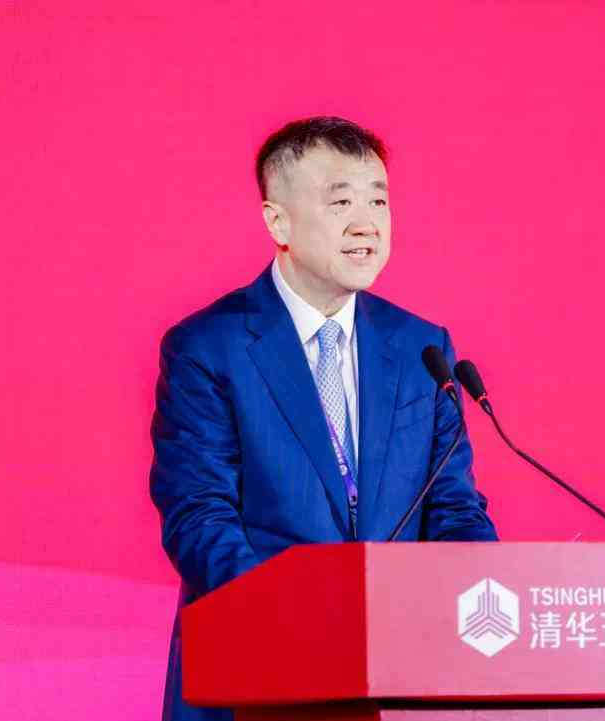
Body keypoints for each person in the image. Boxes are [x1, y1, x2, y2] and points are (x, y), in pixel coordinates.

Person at [149, 116, 498, 721]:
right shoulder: (209, 347)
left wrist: (483, 598)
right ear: (278, 222)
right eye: (340, 202)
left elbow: (454, 509)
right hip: (257, 680)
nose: (367, 224)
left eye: (378, 201)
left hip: (400, 685)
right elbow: (200, 518)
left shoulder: (421, 349)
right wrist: (301, 627)